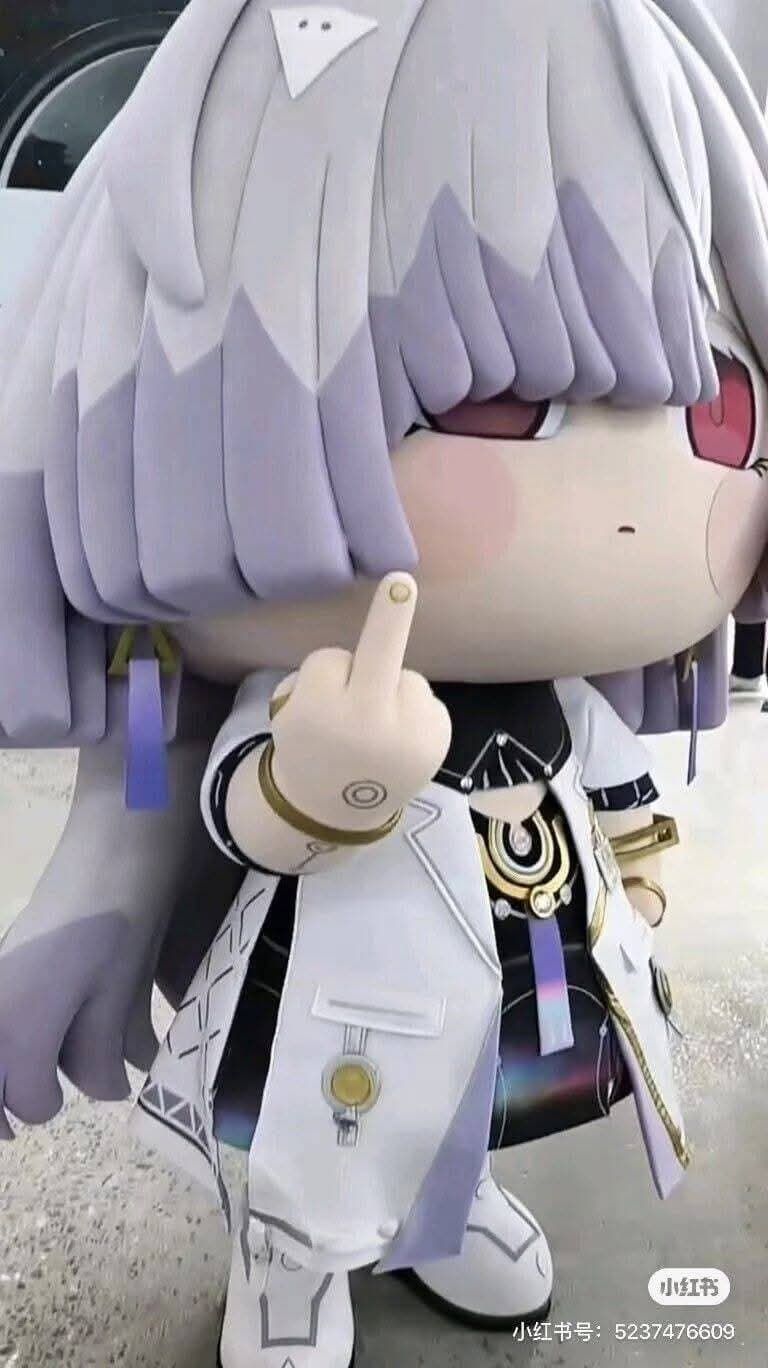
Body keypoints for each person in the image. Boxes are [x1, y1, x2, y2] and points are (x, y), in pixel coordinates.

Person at [2, 2, 768, 1364]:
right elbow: (240, 808)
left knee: (470, 1113)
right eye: (499, 405)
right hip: (328, 1005)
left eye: (720, 412)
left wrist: (636, 878)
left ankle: (444, 1210)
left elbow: (618, 794)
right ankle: (288, 1267)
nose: (647, 490)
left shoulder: (566, 699)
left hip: (524, 975)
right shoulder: (307, 687)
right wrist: (326, 779)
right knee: (311, 1145)